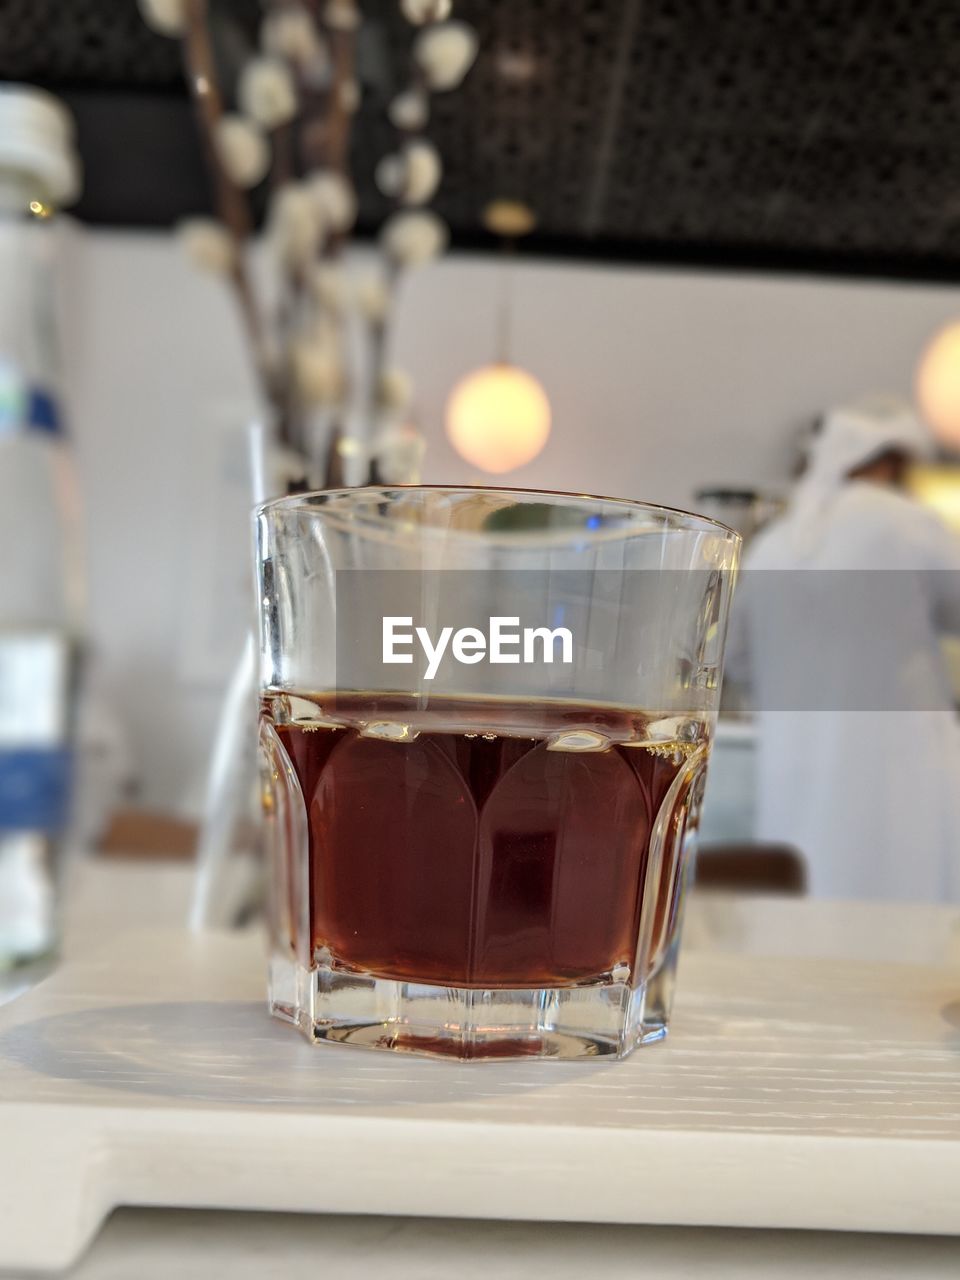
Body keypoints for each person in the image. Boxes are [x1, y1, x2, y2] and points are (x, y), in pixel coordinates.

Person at [726, 398, 960, 902]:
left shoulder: (774, 545)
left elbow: (734, 657)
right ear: (888, 463)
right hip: (899, 761)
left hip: (795, 764)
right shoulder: (903, 521)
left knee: (810, 902)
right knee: (905, 895)